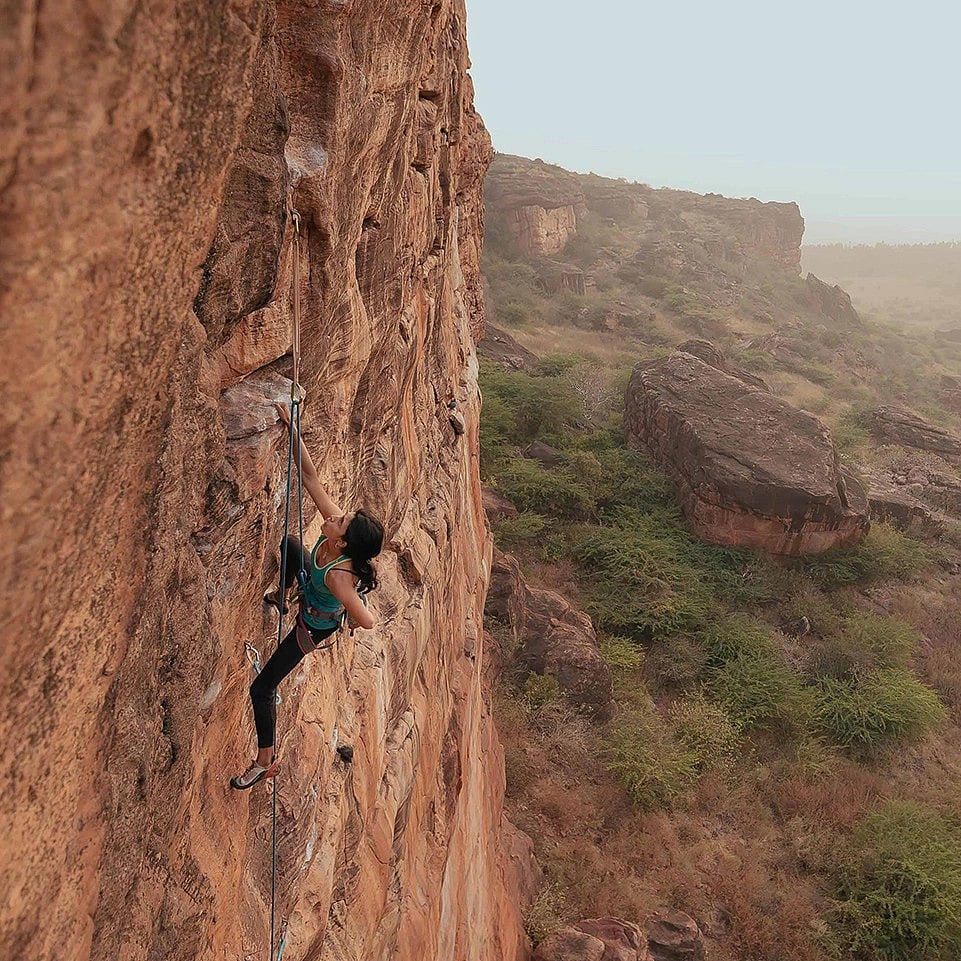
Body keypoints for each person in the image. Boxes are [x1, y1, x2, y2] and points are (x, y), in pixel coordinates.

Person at [231, 404, 385, 790]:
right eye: (341, 515)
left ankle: (264, 761)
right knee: (291, 544)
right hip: (310, 594)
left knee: (262, 688)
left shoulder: (339, 579)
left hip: (312, 628)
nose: (334, 517)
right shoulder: (334, 535)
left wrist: (349, 613)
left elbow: (368, 621)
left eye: (341, 521)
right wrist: (293, 427)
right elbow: (311, 477)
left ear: (343, 541)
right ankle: (283, 594)